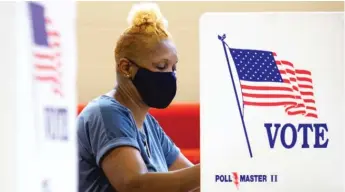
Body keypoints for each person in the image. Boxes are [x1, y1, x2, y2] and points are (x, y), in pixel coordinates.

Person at [77, 3, 200, 192]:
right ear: (126, 68)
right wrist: (212, 169)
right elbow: (134, 185)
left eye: (173, 68)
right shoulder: (106, 113)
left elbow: (194, 184)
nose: (169, 75)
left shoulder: (149, 125)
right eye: (161, 66)